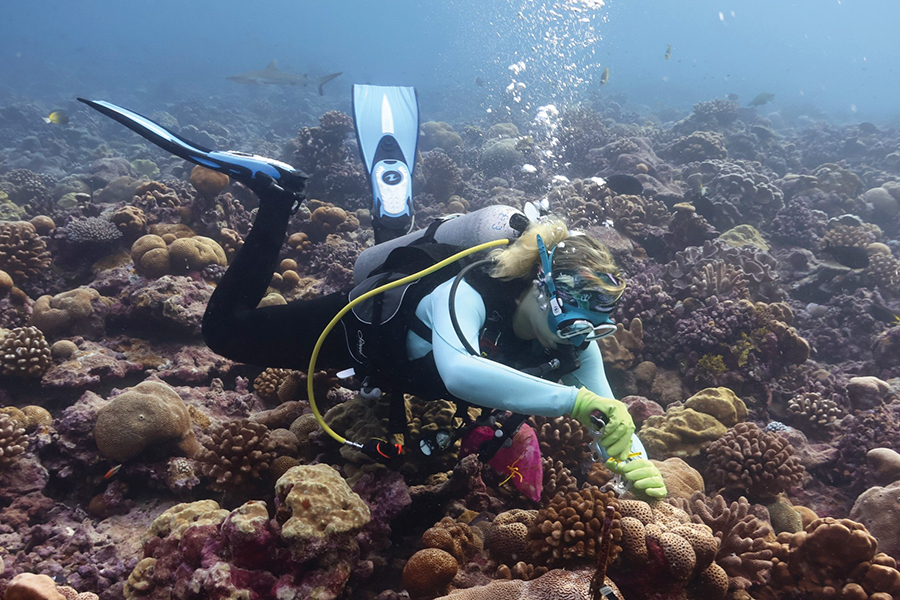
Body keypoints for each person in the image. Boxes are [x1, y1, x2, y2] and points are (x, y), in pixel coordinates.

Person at [78, 92, 666, 499]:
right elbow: (460, 372)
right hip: (367, 330)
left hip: (398, 368)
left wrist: (633, 461)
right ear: (537, 283)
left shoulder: (574, 341)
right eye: (569, 308)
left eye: (596, 319)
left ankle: (393, 214)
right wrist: (576, 406)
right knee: (226, 332)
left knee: (394, 246)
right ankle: (278, 194)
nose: (579, 331)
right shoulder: (470, 293)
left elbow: (607, 412)